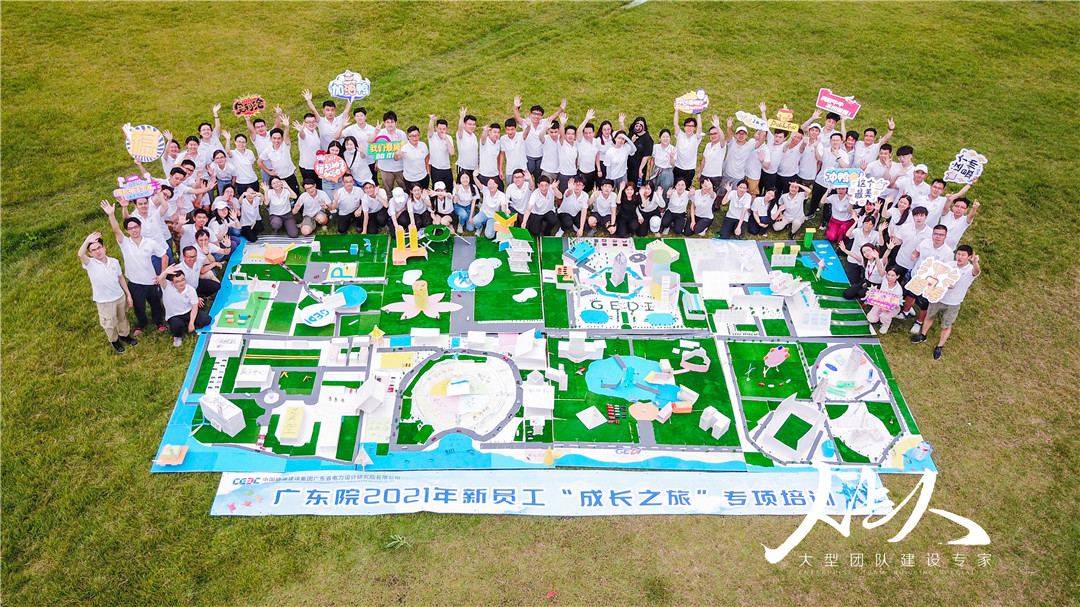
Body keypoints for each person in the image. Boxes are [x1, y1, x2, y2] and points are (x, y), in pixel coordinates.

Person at [102, 199, 167, 336]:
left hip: (151, 281)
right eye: (130, 228)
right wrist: (111, 215)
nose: (134, 230)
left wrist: (162, 275)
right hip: (134, 282)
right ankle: (141, 324)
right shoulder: (124, 243)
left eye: (136, 227)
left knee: (155, 303)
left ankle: (159, 322)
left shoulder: (150, 243)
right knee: (138, 306)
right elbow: (116, 230)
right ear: (127, 231)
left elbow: (164, 256)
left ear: (140, 227)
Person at [911, 245, 981, 359]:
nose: (960, 257)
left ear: (969, 257)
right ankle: (923, 335)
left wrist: (975, 263)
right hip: (938, 297)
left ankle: (939, 346)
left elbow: (976, 272)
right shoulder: (949, 265)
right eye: (958, 254)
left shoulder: (970, 269)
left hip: (954, 302)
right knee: (929, 316)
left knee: (947, 324)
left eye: (963, 255)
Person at [79, 232, 136, 352]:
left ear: (104, 248)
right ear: (90, 253)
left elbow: (120, 278)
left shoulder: (114, 261)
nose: (97, 251)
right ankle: (114, 340)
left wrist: (128, 294)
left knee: (122, 317)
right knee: (109, 323)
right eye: (93, 250)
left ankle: (124, 335)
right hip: (104, 301)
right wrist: (87, 240)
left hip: (119, 296)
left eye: (99, 248)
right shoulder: (90, 264)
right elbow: (80, 254)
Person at [906, 224, 954, 335]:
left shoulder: (948, 253)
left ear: (945, 237)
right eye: (935, 234)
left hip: (930, 283)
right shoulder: (925, 243)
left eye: (941, 235)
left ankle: (919, 322)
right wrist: (914, 255)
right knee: (910, 295)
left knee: (924, 304)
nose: (937, 237)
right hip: (917, 276)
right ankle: (905, 312)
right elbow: (917, 251)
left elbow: (946, 270)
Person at [159, 263, 211, 347]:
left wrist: (191, 323)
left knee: (207, 320)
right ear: (172, 282)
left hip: (188, 311)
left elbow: (194, 306)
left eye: (183, 280)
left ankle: (189, 323)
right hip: (174, 315)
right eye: (177, 281)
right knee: (176, 326)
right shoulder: (167, 287)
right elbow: (161, 279)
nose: (181, 283)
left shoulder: (190, 289)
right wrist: (166, 272)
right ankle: (177, 336)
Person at [810, 132, 849, 227]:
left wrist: (837, 156)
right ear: (830, 141)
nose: (835, 142)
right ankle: (811, 212)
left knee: (828, 203)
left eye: (837, 140)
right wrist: (816, 147)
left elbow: (845, 167)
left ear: (841, 141)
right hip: (820, 180)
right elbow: (818, 159)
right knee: (815, 198)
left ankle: (825, 221)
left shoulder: (843, 154)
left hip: (833, 184)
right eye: (833, 140)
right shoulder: (825, 150)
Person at [257, 118, 300, 194]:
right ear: (271, 138)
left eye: (279, 138)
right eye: (274, 138)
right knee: (281, 195)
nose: (276, 141)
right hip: (278, 178)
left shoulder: (285, 146)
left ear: (281, 139)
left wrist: (286, 126)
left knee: (296, 194)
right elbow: (259, 162)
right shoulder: (268, 150)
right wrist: (269, 172)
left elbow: (287, 136)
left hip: (290, 175)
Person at [336, 106, 378, 184]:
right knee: (359, 181)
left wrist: (377, 161)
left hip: (370, 159)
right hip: (358, 160)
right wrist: (342, 126)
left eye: (361, 115)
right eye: (357, 116)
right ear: (355, 118)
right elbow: (337, 136)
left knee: (373, 181)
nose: (359, 118)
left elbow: (376, 145)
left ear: (365, 117)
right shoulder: (351, 129)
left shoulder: (372, 129)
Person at [841, 215, 884, 284]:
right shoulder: (857, 231)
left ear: (873, 226)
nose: (868, 226)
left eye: (870, 224)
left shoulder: (875, 234)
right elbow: (848, 234)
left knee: (865, 279)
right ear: (863, 223)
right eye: (866, 223)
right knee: (853, 280)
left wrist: (880, 232)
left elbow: (881, 244)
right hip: (854, 257)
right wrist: (855, 222)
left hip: (866, 260)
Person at [245, 107, 283, 184]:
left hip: (278, 165)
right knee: (268, 188)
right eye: (258, 127)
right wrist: (248, 121)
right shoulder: (255, 138)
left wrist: (278, 115)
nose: (260, 128)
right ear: (255, 129)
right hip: (266, 168)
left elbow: (277, 125)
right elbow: (251, 131)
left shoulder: (271, 134)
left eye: (262, 126)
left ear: (266, 126)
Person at [864, 266, 904, 334]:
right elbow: (880, 269)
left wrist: (888, 309)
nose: (889, 277)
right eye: (888, 274)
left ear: (897, 276)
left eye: (893, 276)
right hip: (881, 302)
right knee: (871, 319)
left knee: (884, 316)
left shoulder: (898, 290)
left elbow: (896, 303)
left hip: (892, 306)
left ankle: (885, 325)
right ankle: (879, 316)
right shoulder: (884, 279)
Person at [375, 111, 407, 192]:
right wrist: (376, 162)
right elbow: (375, 149)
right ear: (384, 123)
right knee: (388, 190)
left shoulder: (402, 134)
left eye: (392, 122)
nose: (390, 124)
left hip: (400, 167)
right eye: (387, 122)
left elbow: (406, 149)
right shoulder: (379, 134)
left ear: (396, 123)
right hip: (385, 168)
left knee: (405, 188)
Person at [721, 119, 757, 190]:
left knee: (736, 194)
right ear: (736, 135)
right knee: (721, 193)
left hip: (739, 177)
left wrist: (763, 128)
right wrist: (729, 127)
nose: (741, 135)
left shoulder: (749, 146)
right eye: (739, 133)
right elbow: (729, 135)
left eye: (743, 134)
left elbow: (761, 141)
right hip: (727, 174)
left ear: (746, 135)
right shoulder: (732, 142)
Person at [222, 130, 259, 195]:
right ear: (235, 142)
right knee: (243, 199)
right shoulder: (233, 153)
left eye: (243, 142)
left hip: (253, 180)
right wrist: (228, 139)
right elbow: (227, 151)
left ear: (246, 143)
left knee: (255, 198)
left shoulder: (250, 152)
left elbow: (252, 165)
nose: (241, 144)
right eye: (239, 142)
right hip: (241, 182)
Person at [673, 110, 703, 188]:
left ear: (694, 128)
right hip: (678, 167)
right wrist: (676, 110)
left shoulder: (696, 138)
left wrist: (698, 113)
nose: (689, 128)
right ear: (684, 127)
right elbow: (675, 124)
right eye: (687, 125)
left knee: (686, 190)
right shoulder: (680, 135)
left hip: (690, 169)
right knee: (675, 188)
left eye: (692, 126)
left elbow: (700, 127)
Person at [293, 112, 322, 190]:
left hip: (317, 166)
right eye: (308, 122)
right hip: (308, 168)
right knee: (311, 188)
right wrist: (301, 130)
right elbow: (302, 135)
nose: (311, 124)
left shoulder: (314, 131)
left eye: (313, 122)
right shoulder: (304, 133)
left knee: (319, 187)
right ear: (304, 123)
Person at [396, 125, 430, 191]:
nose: (414, 138)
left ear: (419, 135)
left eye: (416, 135)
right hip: (410, 179)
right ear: (408, 136)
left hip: (423, 176)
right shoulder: (404, 148)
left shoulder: (423, 145)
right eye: (412, 136)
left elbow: (426, 158)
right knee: (412, 195)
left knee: (424, 194)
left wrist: (428, 171)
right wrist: (397, 153)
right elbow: (396, 158)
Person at [698, 116, 727, 193]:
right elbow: (704, 160)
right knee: (702, 194)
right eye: (711, 134)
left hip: (715, 177)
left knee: (712, 197)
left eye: (715, 133)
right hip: (704, 175)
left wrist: (717, 126)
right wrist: (700, 172)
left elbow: (723, 138)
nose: (713, 136)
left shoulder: (721, 145)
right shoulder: (708, 145)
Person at [643, 128, 676, 194]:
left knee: (665, 190)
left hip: (667, 172)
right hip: (656, 170)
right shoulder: (656, 147)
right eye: (663, 137)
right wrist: (650, 172)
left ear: (670, 138)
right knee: (653, 189)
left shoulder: (672, 149)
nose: (665, 139)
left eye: (667, 137)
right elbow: (653, 160)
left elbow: (672, 164)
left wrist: (671, 157)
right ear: (660, 138)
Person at [427, 115, 456, 191]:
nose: (441, 131)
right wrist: (431, 120)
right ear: (436, 128)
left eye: (444, 129)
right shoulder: (432, 136)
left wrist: (446, 139)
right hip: (435, 168)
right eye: (440, 129)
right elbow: (430, 129)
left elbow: (452, 153)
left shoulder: (449, 138)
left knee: (448, 189)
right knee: (437, 189)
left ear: (446, 129)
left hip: (446, 168)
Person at [499, 117, 528, 188]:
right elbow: (502, 154)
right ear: (505, 129)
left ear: (516, 128)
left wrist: (529, 125)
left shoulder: (521, 136)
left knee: (525, 189)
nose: (510, 132)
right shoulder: (503, 139)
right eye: (508, 130)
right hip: (510, 170)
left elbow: (527, 131)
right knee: (510, 189)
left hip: (522, 169)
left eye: (512, 129)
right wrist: (500, 170)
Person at [575, 116, 601, 192]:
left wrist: (599, 169)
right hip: (582, 172)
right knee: (580, 190)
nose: (588, 135)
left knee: (589, 190)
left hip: (592, 172)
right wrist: (586, 119)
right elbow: (578, 131)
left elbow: (597, 156)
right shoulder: (580, 141)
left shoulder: (596, 142)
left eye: (590, 133)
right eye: (586, 133)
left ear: (593, 133)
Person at [626, 116, 653, 188]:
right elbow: (625, 147)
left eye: (641, 125)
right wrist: (631, 141)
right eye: (637, 125)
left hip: (639, 164)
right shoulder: (632, 134)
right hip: (629, 163)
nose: (638, 127)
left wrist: (640, 169)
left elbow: (646, 156)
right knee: (627, 184)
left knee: (636, 186)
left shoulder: (647, 139)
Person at [456, 107, 480, 184]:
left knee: (473, 188)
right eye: (469, 124)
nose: (472, 126)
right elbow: (460, 128)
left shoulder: (474, 136)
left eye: (473, 124)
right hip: (463, 167)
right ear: (464, 124)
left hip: (474, 168)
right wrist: (462, 117)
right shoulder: (461, 134)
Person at [555, 119, 578, 193]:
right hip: (563, 174)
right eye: (568, 134)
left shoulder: (576, 145)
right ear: (565, 135)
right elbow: (561, 135)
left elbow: (575, 159)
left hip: (574, 173)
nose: (570, 136)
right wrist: (562, 124)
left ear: (575, 136)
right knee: (562, 194)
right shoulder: (562, 143)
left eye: (572, 134)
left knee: (572, 193)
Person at [477, 122, 503, 189]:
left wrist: (500, 170)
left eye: (498, 133)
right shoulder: (485, 141)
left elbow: (497, 157)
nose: (496, 134)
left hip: (495, 174)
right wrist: (485, 131)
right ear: (489, 132)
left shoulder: (498, 142)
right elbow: (483, 138)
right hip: (484, 175)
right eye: (494, 132)